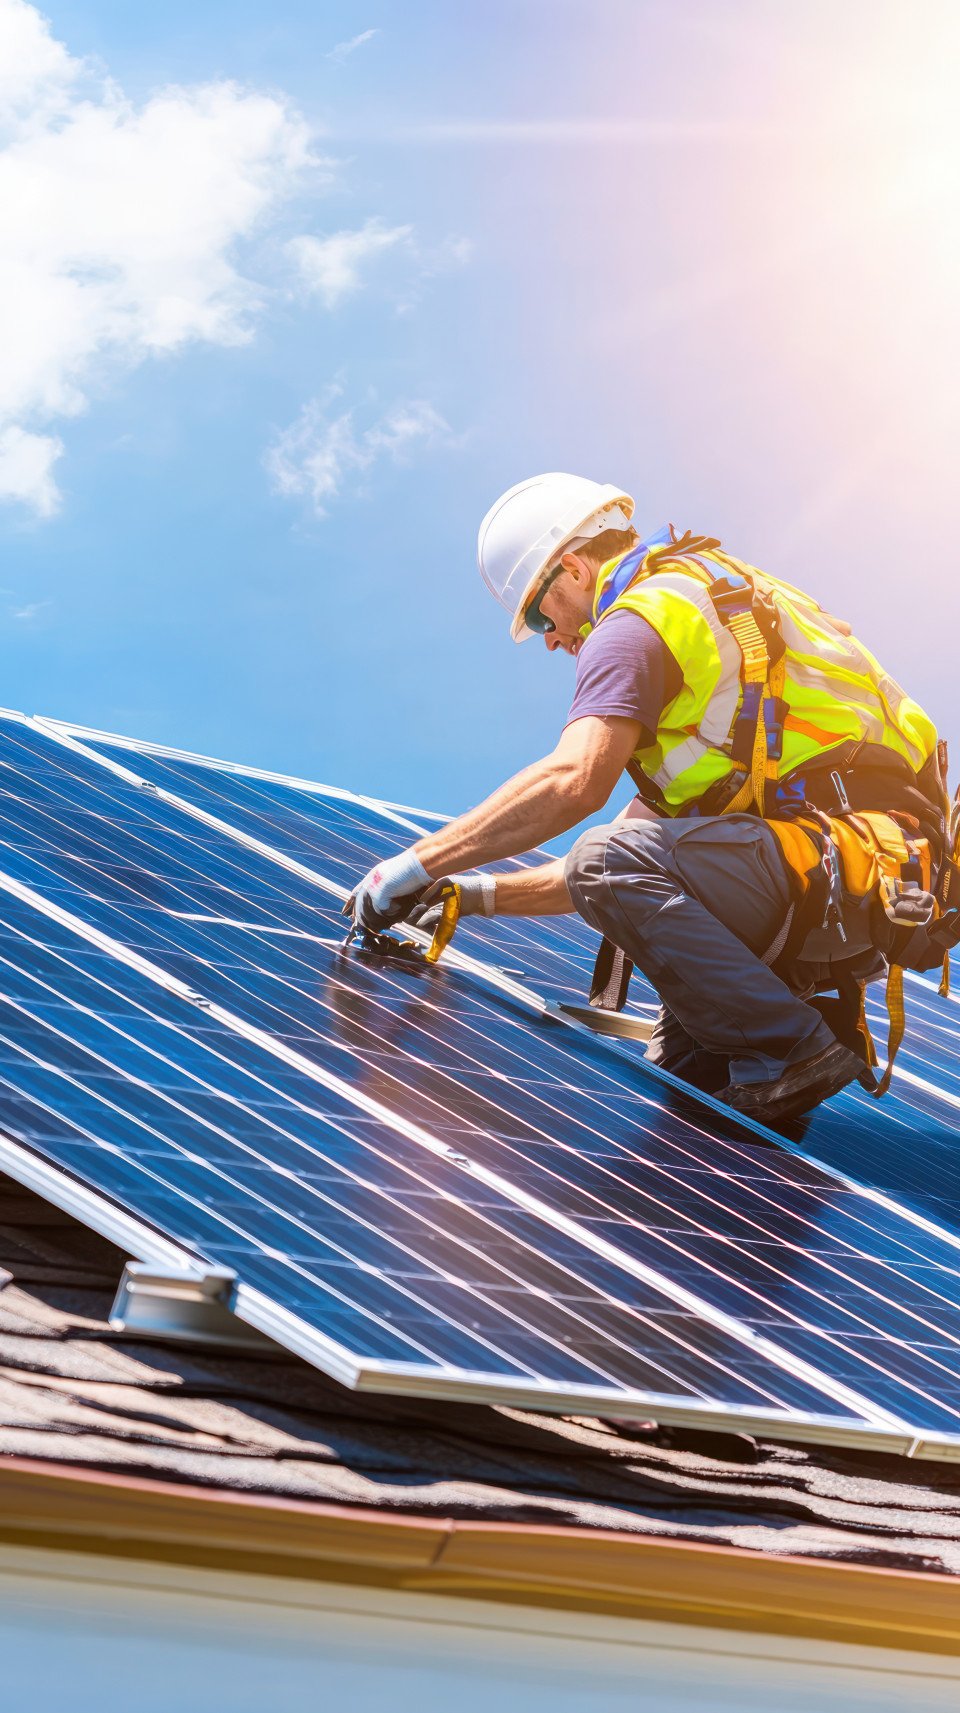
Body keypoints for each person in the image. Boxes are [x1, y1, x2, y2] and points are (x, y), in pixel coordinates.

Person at [348, 473, 951, 1123]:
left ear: (573, 569)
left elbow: (575, 787)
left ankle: (792, 1048)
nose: (549, 637)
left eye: (536, 614)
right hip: (866, 879)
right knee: (692, 1075)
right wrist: (470, 896)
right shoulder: (713, 607)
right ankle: (781, 1070)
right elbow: (614, 872)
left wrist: (413, 866)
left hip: (837, 867)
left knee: (609, 859)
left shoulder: (638, 622)